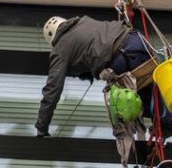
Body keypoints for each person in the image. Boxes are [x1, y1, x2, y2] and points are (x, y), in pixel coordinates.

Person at [36, 15, 169, 137]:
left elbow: (53, 88)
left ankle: (167, 123)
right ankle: (165, 122)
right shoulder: (83, 21)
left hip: (121, 58)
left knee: (126, 104)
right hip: (137, 41)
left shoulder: (60, 48)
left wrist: (41, 127)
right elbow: (93, 48)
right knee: (155, 94)